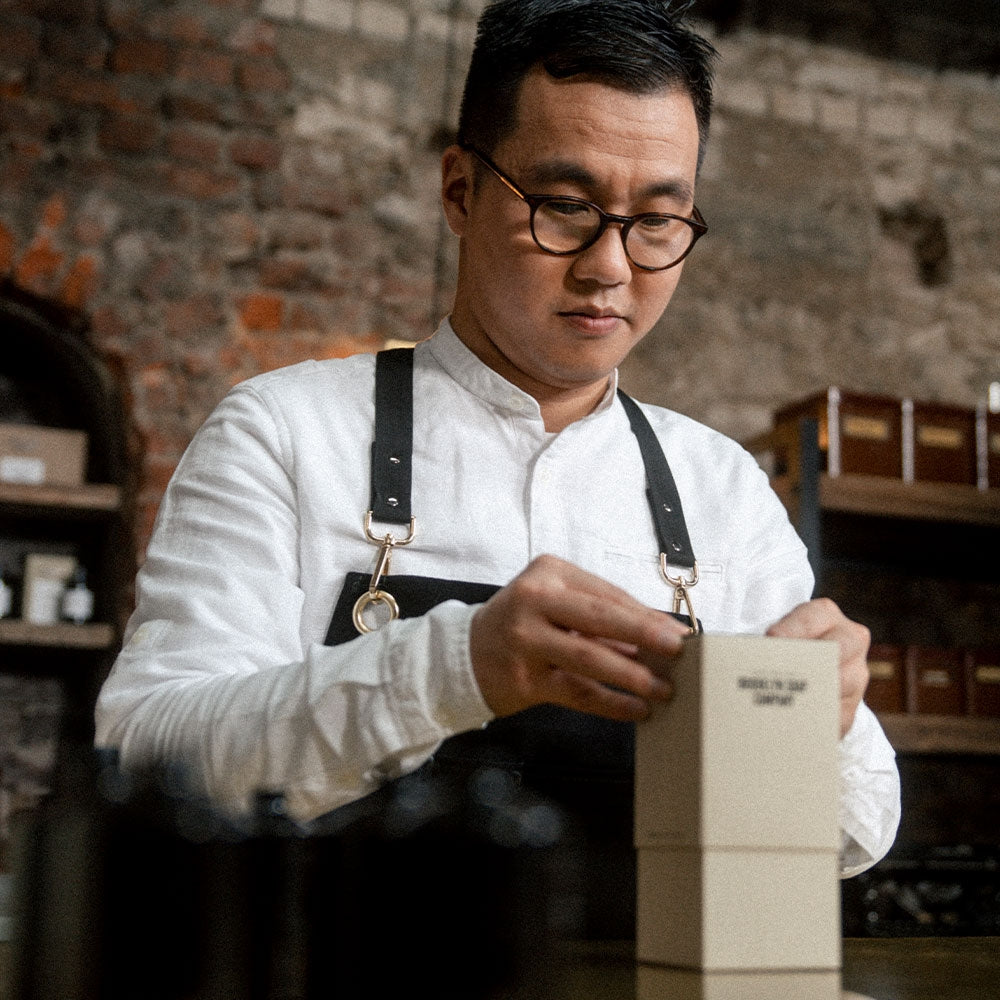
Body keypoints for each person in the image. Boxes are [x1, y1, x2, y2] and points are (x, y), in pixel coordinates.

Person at [95, 0, 899, 909]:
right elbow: (144, 753)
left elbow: (858, 832)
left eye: (657, 221)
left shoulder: (723, 488)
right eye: (565, 207)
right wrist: (456, 668)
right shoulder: (283, 432)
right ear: (460, 192)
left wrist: (823, 727)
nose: (610, 267)